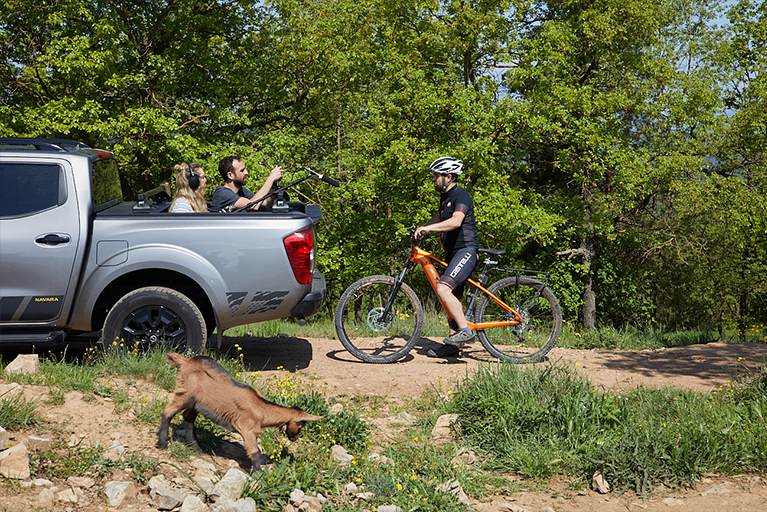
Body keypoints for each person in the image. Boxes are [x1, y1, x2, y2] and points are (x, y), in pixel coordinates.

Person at [415, 156, 479, 358]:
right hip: (453, 254)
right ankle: (453, 346)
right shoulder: (446, 197)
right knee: (452, 298)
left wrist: (428, 228)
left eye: (436, 176)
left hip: (466, 251)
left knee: (442, 288)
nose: (433, 179)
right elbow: (441, 216)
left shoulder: (462, 195)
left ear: (448, 177)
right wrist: (422, 228)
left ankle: (466, 332)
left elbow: (456, 221)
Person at [208, 156, 285, 212]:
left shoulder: (241, 191)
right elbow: (253, 205)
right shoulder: (222, 193)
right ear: (230, 175)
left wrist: (274, 184)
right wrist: (270, 179)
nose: (246, 173)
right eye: (242, 170)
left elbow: (265, 203)